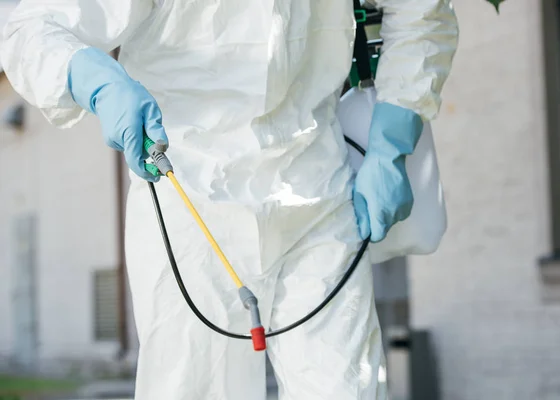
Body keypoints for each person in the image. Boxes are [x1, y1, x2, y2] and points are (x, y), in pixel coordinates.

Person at [1, 0, 458, 398]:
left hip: (320, 194)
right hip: (191, 206)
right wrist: (92, 78)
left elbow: (420, 9)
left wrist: (392, 143)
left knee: (348, 388)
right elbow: (31, 28)